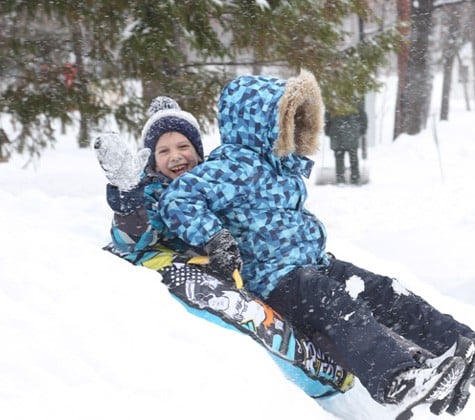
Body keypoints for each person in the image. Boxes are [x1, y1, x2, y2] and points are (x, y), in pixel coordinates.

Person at [157, 70, 475, 415]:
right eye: (283, 122)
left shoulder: (281, 168)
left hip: (313, 265)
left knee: (386, 292)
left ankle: (464, 345)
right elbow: (177, 200)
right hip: (275, 279)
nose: (290, 130)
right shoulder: (231, 165)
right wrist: (214, 236)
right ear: (258, 124)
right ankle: (396, 379)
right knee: (339, 306)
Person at [95, 96, 354, 397]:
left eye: (183, 147)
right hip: (204, 270)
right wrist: (128, 199)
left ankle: (338, 355)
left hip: (249, 269)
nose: (175, 156)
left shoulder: (217, 181)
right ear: (151, 161)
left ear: (198, 151)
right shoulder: (154, 192)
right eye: (163, 151)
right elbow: (135, 240)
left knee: (308, 306)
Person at [324, 99, 367, 184]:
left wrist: (327, 131)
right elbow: (363, 117)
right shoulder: (355, 100)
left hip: (337, 133)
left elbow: (327, 118)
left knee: (339, 157)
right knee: (353, 156)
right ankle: (355, 177)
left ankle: (340, 178)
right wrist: (362, 130)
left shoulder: (333, 100)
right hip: (352, 133)